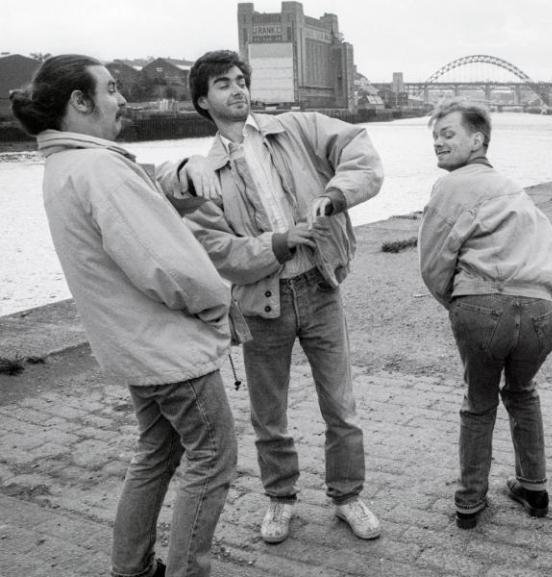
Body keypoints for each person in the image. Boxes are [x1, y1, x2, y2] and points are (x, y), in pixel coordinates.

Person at [11, 55, 237, 577]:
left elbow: (139, 229)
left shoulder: (65, 165)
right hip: (168, 350)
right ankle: (186, 571)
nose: (123, 98)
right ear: (80, 102)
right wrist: (217, 304)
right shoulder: (100, 168)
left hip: (131, 346)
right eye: (111, 89)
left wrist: (172, 185)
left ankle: (130, 569)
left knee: (156, 453)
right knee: (213, 459)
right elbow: (166, 267)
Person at [155, 50, 383, 543]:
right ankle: (280, 500)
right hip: (262, 304)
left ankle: (348, 496)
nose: (238, 89)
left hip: (320, 287)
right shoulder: (202, 172)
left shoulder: (296, 127)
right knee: (269, 415)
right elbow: (218, 252)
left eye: (241, 80)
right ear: (202, 100)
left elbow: (360, 150)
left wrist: (338, 194)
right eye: (223, 84)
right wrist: (275, 245)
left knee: (341, 407)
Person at [418, 98, 552, 530]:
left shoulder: (452, 186)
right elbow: (550, 250)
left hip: (483, 304)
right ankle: (533, 488)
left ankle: (469, 503)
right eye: (435, 137)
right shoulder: (514, 189)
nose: (439, 144)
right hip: (541, 307)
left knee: (479, 403)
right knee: (522, 392)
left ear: (477, 139)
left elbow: (432, 264)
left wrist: (461, 303)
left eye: (448, 134)